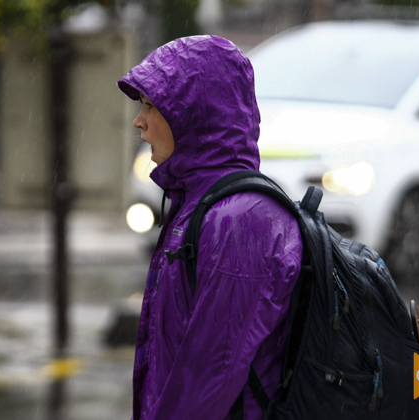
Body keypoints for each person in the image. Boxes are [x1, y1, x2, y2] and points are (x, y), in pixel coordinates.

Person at [117, 36, 303, 419]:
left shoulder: (238, 222)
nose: (140, 121)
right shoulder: (200, 205)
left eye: (152, 106)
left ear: (193, 113)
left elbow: (206, 380)